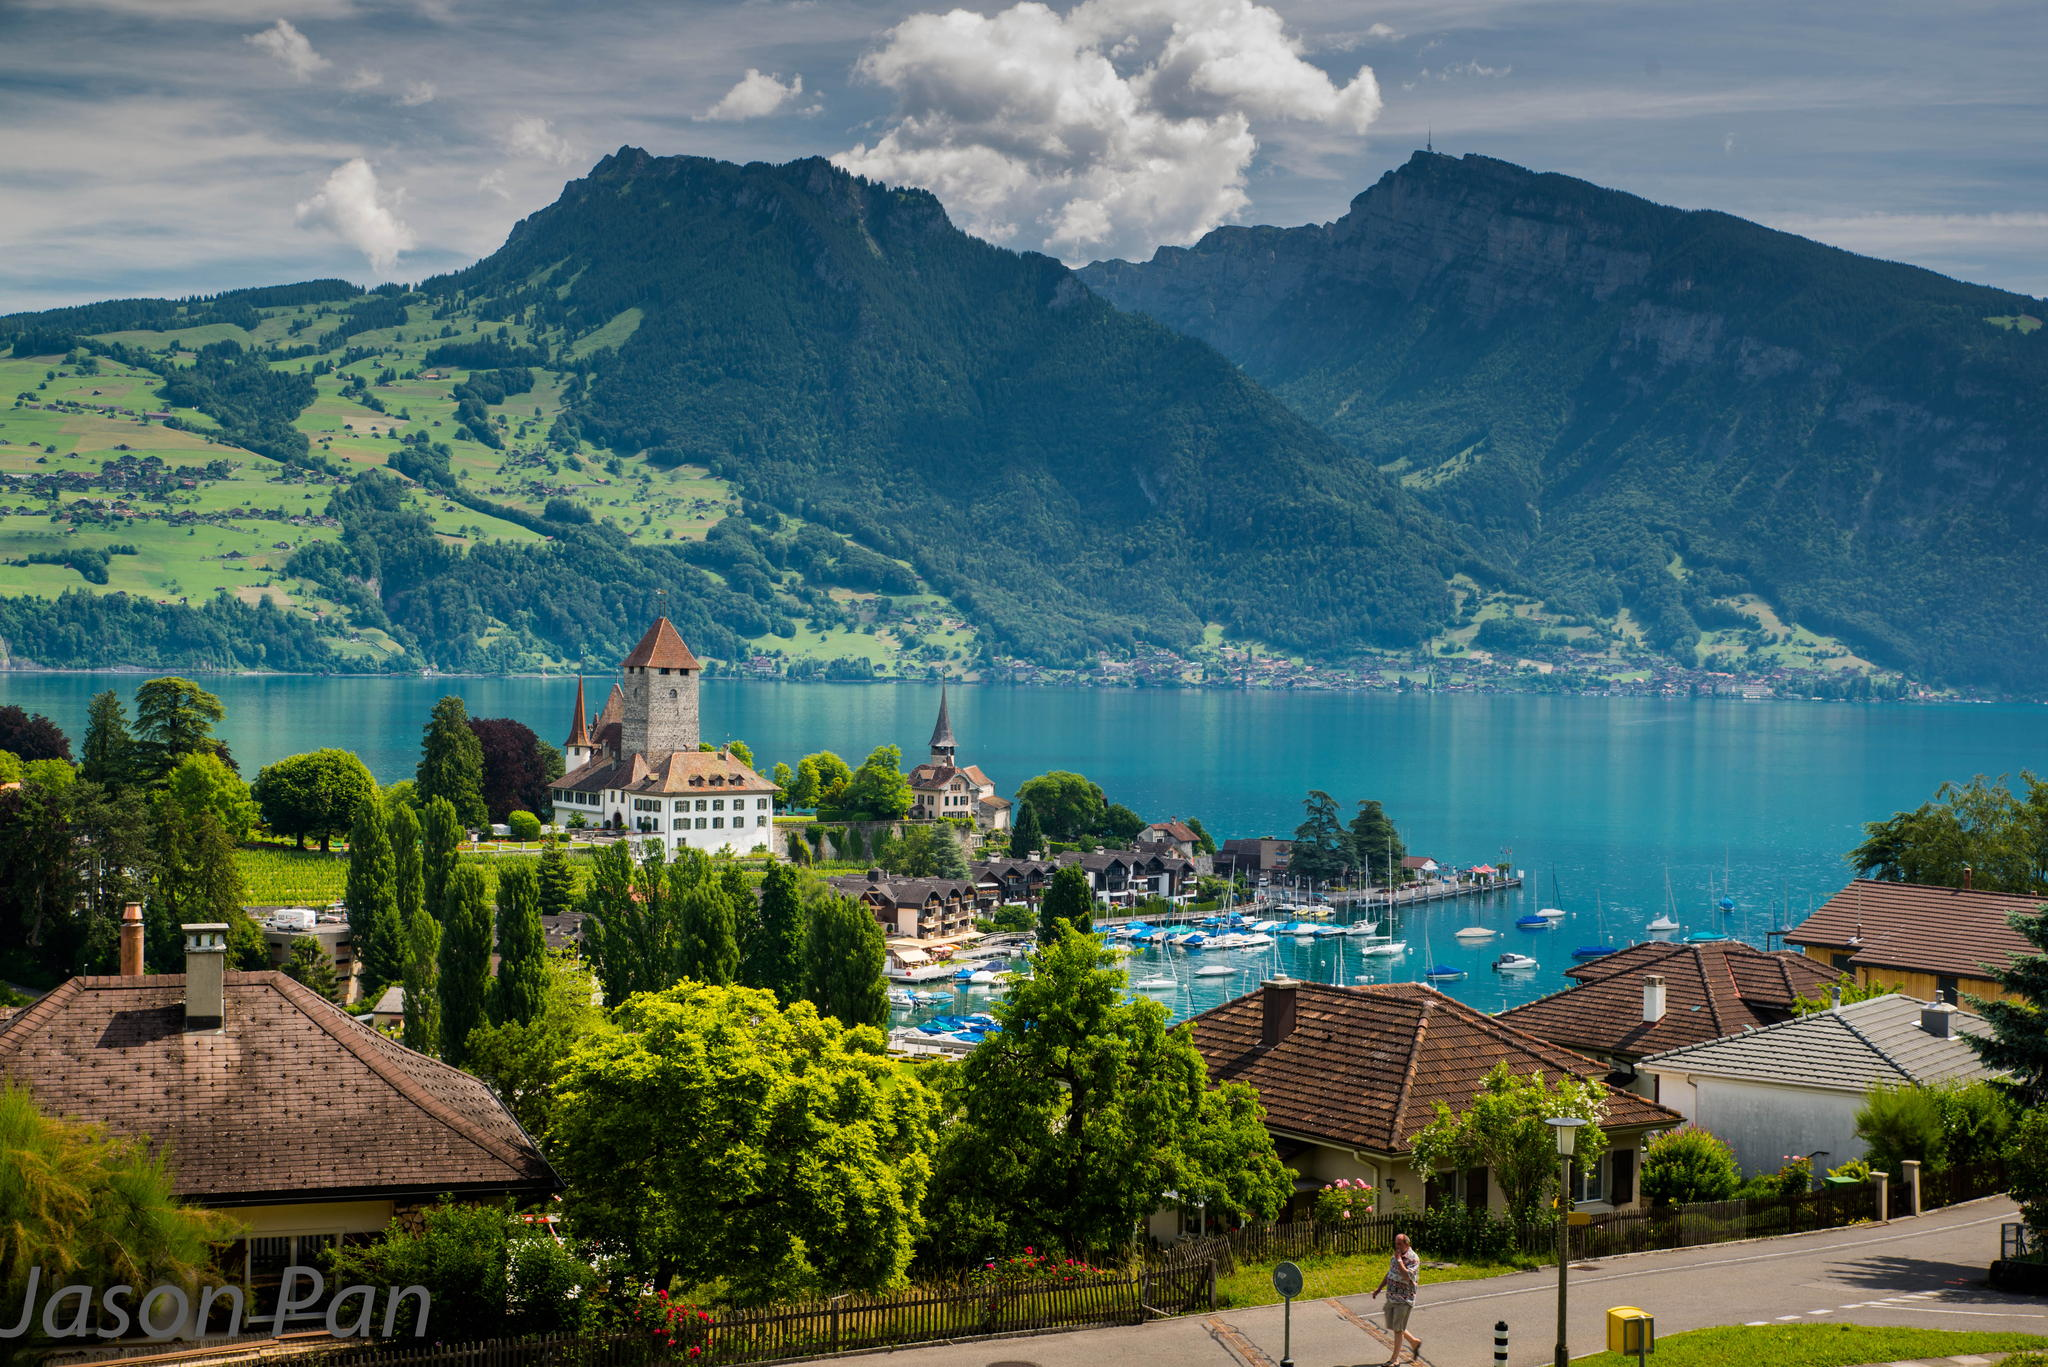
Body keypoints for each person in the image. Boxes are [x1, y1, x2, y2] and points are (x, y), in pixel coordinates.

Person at [1372, 1231, 1423, 1365]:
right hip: (1392, 1296)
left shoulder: (1413, 1258)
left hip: (1405, 1298)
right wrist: (1379, 1288)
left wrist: (1400, 1260)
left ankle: (1394, 1359)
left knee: (1398, 1329)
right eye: (1396, 1244)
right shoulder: (1395, 1256)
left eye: (1399, 1244)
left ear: (1407, 1244)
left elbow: (1406, 1276)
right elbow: (1390, 1273)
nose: (1397, 1247)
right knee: (1394, 1325)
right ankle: (1413, 1341)